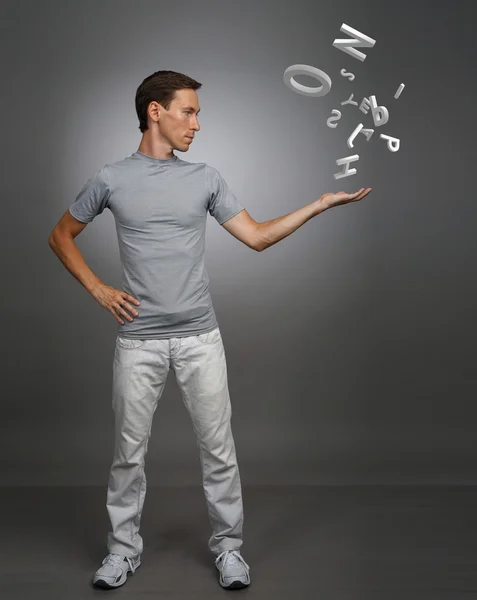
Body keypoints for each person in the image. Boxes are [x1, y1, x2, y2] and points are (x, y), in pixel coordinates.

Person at [48, 70, 372, 591]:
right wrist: (101, 291)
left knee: (219, 449)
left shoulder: (205, 177)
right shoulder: (110, 177)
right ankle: (122, 550)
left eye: (197, 113)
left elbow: (258, 237)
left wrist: (319, 205)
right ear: (156, 111)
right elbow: (61, 235)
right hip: (139, 341)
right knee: (127, 455)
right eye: (188, 111)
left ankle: (229, 550)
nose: (197, 123)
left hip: (200, 338)